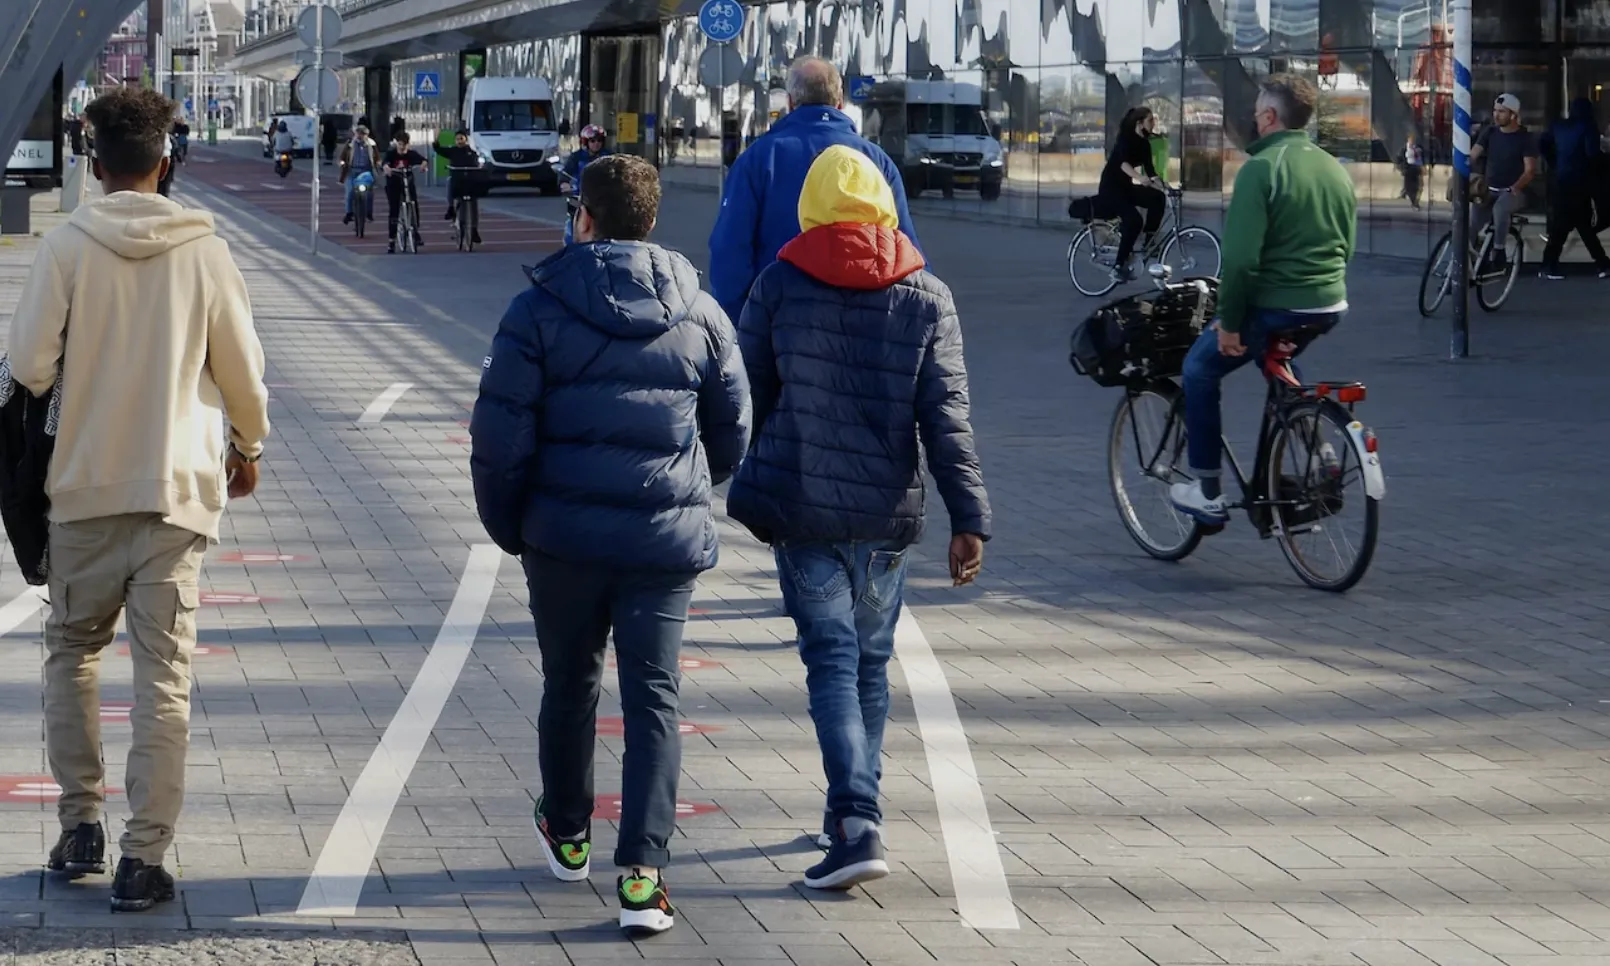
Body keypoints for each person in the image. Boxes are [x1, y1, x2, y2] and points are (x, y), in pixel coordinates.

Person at [469, 155, 749, 938]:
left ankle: (566, 831)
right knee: (654, 698)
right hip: (662, 544)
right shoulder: (702, 310)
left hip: (562, 541)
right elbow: (733, 427)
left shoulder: (539, 307)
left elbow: (498, 436)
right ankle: (643, 878)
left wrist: (511, 524)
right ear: (651, 221)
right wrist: (690, 483)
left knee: (569, 685)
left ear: (583, 217)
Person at [6, 86, 269, 912]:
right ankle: (142, 859)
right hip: (176, 498)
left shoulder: (67, 247)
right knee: (163, 678)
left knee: (73, 653)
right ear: (166, 161)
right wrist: (246, 448)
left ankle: (80, 823)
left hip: (81, 492)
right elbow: (244, 380)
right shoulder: (207, 251)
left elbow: (29, 369)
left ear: (93, 162)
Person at [725, 145, 990, 889]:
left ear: (812, 209)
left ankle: (852, 820)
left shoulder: (778, 285)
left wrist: (726, 473)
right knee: (870, 663)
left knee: (832, 663)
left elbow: (748, 396)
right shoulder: (926, 294)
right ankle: (857, 809)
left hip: (804, 507)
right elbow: (948, 421)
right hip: (886, 517)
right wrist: (970, 518)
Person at [1170, 74, 1356, 524]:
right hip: (1329, 303)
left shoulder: (1261, 169)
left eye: (1256, 113)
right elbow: (1346, 243)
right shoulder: (1334, 167)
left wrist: (1230, 322)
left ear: (1270, 117)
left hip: (1277, 303)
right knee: (1278, 361)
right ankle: (1321, 449)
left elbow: (1239, 262)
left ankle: (1207, 492)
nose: (1254, 121)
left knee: (1198, 370)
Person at [708, 56, 920, 324]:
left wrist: (745, 324)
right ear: (840, 102)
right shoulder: (877, 161)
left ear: (790, 102)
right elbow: (906, 249)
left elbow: (730, 251)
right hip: (869, 326)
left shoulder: (758, 159)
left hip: (782, 327)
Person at [1539, 97, 1610, 280]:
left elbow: (1543, 144)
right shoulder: (1588, 127)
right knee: (1578, 226)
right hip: (1580, 182)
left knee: (1566, 226)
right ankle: (1601, 264)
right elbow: (1592, 154)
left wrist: (1554, 162)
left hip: (1561, 181)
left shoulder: (1558, 126)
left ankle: (1550, 264)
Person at [1096, 106, 1168, 282]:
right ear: (1139, 123)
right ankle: (1118, 266)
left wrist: (1166, 187)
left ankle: (1149, 239)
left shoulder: (1144, 144)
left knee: (1158, 198)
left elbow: (1151, 172)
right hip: (1111, 188)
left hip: (1126, 188)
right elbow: (1123, 164)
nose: (1153, 124)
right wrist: (1139, 177)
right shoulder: (1126, 139)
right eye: (1150, 120)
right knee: (1134, 221)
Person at [1469, 93, 1538, 271]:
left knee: (1501, 208)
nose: (1496, 115)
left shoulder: (1525, 138)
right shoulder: (1490, 132)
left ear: (1513, 115)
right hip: (1489, 189)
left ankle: (1499, 252)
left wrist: (1516, 187)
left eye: (1501, 112)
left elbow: (1530, 170)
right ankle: (1467, 260)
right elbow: (1473, 154)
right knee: (1472, 220)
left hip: (1514, 191)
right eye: (1495, 111)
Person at [560, 125, 611, 244]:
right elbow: (566, 173)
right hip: (580, 197)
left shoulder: (608, 157)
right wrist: (564, 183)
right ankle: (569, 249)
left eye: (599, 140)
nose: (596, 143)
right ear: (585, 142)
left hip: (602, 198)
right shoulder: (577, 157)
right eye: (592, 141)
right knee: (571, 227)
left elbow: (618, 173)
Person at [381, 131, 427, 253]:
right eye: (400, 144)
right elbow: (385, 163)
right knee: (394, 211)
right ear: (397, 144)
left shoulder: (411, 154)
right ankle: (391, 241)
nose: (402, 147)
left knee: (414, 205)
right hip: (394, 184)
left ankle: (415, 232)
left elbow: (423, 160)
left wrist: (423, 165)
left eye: (405, 145)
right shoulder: (391, 154)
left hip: (408, 184)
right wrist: (387, 169)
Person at [441, 129, 484, 245]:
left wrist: (480, 165)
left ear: (466, 139)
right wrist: (435, 141)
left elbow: (479, 161)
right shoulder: (452, 151)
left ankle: (473, 229)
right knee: (449, 182)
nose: (459, 141)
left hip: (469, 181)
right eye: (457, 139)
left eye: (461, 138)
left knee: (474, 204)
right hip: (457, 180)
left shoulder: (472, 151)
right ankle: (451, 208)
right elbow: (439, 150)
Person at [339, 125, 380, 224]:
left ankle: (369, 214)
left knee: (369, 194)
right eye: (359, 133)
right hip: (352, 171)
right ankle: (349, 213)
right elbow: (342, 157)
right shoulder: (350, 144)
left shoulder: (371, 144)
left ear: (367, 135)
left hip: (366, 172)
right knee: (349, 193)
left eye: (363, 134)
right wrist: (342, 163)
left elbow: (377, 158)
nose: (360, 136)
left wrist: (379, 164)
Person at [1400, 132, 1424, 210]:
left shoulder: (1418, 148)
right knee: (1410, 187)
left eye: (1413, 139)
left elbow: (1421, 158)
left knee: (1420, 186)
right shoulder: (1404, 149)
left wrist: (1423, 167)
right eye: (1410, 139)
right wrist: (1402, 168)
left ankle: (1415, 201)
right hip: (1409, 169)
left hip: (1417, 168)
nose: (1412, 141)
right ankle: (1414, 202)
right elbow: (1400, 159)